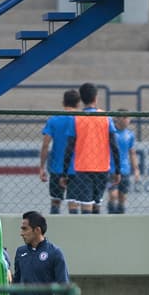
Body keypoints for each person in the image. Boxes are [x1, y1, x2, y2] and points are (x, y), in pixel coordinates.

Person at [61, 82, 119, 214]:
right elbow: (114, 146)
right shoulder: (105, 117)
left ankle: (85, 232)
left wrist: (64, 173)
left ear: (81, 99)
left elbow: (69, 148)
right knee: (97, 204)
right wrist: (118, 170)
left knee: (86, 204)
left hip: (83, 167)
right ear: (96, 97)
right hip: (102, 167)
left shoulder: (77, 118)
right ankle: (96, 233)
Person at [39, 88, 80, 214]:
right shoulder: (81, 119)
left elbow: (46, 145)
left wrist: (42, 167)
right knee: (74, 202)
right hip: (78, 167)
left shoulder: (54, 120)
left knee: (56, 201)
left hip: (57, 167)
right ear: (78, 103)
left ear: (63, 102)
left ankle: (54, 227)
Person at [106, 110, 140, 214]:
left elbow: (132, 153)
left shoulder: (130, 135)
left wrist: (136, 169)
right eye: (124, 117)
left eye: (128, 118)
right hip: (111, 169)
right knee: (113, 195)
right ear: (117, 119)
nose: (127, 120)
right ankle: (110, 218)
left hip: (125, 170)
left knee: (122, 198)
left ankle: (120, 219)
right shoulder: (111, 133)